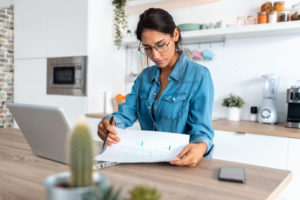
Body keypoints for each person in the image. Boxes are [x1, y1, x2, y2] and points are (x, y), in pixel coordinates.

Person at [98, 8, 214, 167]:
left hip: (183, 165)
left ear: (175, 34)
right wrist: (109, 124)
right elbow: (126, 114)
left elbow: (202, 132)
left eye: (161, 45)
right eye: (147, 48)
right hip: (148, 163)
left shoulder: (199, 76)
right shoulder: (144, 77)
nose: (155, 55)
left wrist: (200, 147)